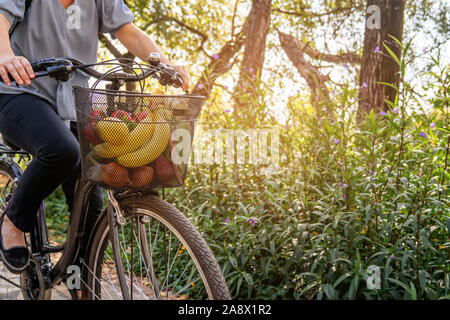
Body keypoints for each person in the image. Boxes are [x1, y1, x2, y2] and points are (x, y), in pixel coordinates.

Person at [0, 0, 189, 273]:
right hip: (20, 92)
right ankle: (14, 222)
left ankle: (81, 279)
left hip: (73, 101)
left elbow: (129, 31)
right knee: (62, 149)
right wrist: (4, 54)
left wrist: (164, 63)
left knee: (91, 192)